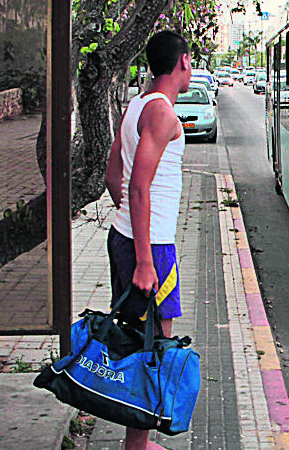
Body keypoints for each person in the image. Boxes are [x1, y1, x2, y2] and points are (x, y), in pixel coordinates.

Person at [103, 30, 191, 450]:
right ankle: (136, 445)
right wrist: (143, 259)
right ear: (183, 63)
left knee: (139, 340)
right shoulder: (162, 114)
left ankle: (135, 440)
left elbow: (111, 176)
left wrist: (128, 227)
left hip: (127, 236)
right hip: (150, 247)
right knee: (152, 345)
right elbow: (137, 187)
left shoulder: (136, 105)